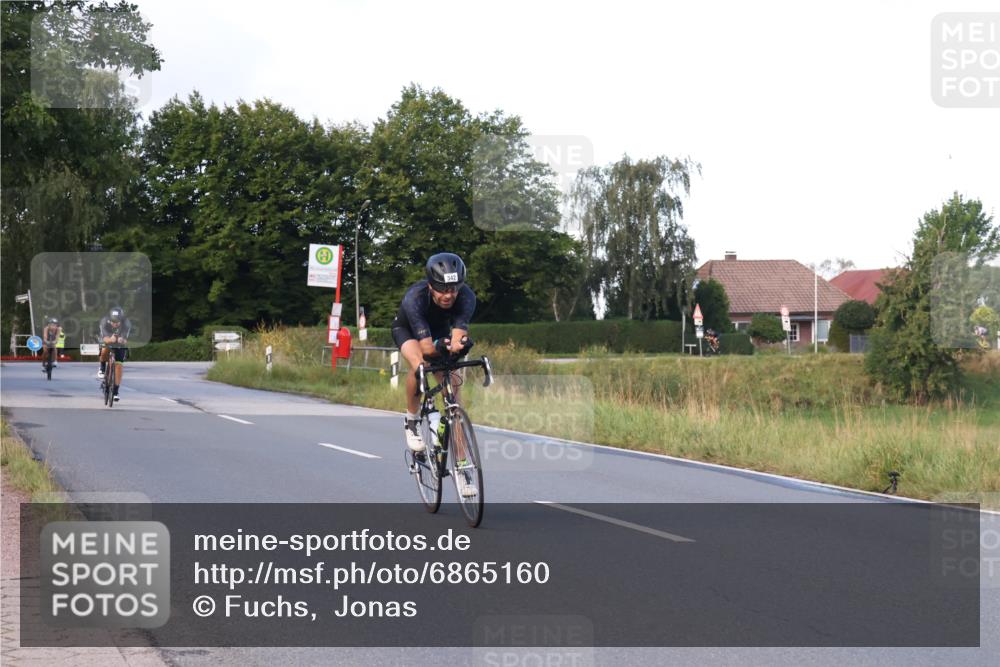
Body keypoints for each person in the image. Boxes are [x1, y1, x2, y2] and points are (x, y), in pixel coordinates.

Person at [391, 252, 476, 457]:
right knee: (421, 365)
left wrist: (458, 347)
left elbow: (457, 338)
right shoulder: (415, 298)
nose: (448, 295)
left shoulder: (467, 297)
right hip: (408, 331)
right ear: (430, 285)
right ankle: (412, 419)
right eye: (442, 289)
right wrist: (439, 347)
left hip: (438, 332)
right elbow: (428, 349)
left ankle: (463, 466)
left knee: (454, 395)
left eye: (453, 289)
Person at [97, 307, 132, 401]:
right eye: (113, 321)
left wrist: (122, 340)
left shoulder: (126, 323)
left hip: (119, 343)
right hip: (107, 339)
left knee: (119, 365)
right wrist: (110, 339)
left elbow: (125, 339)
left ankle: (116, 391)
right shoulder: (104, 322)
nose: (115, 324)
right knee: (104, 349)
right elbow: (104, 338)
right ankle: (102, 367)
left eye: (117, 322)